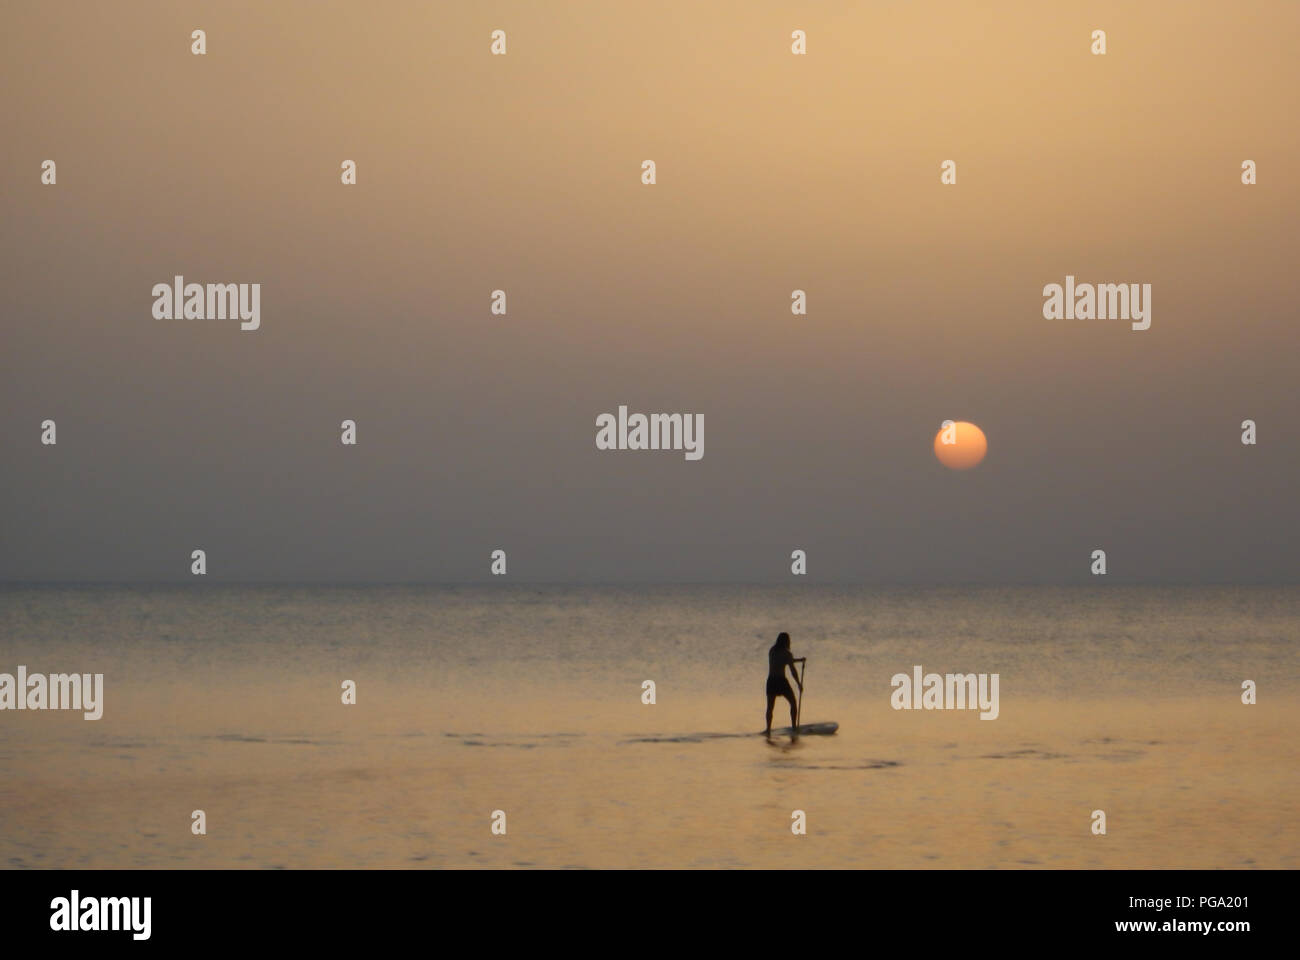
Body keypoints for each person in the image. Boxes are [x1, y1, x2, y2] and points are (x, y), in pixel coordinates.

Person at [765, 632, 805, 736]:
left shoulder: (772, 651)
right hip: (781, 681)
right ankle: (793, 728)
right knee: (793, 703)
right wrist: (799, 684)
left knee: (770, 707)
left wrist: (799, 660)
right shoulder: (787, 653)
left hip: (771, 681)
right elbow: (792, 670)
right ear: (786, 642)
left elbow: (784, 661)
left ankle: (768, 729)